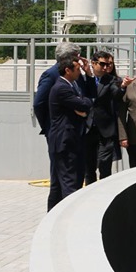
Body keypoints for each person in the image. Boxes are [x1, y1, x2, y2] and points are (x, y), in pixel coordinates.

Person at [45, 54, 93, 210]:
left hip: (72, 140)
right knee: (69, 183)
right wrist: (84, 104)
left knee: (62, 183)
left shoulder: (72, 85)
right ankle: (69, 216)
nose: (80, 72)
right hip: (65, 142)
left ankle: (52, 215)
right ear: (67, 70)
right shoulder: (62, 88)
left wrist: (83, 102)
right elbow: (85, 104)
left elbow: (88, 99)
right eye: (78, 69)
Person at [82, 50, 120, 184]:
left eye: (107, 64)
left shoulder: (111, 80)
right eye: (102, 64)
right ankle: (90, 192)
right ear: (93, 63)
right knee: (89, 167)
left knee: (104, 165)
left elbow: (116, 93)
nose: (105, 67)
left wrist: (122, 88)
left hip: (105, 130)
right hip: (88, 128)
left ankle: (105, 190)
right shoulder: (83, 80)